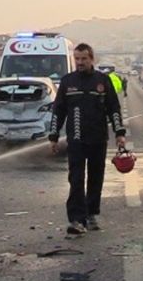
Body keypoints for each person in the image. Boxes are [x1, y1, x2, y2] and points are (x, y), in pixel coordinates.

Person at [48, 43, 126, 235]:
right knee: (76, 178)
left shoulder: (103, 80)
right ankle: (76, 219)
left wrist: (120, 133)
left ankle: (91, 213)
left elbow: (114, 109)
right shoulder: (67, 82)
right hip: (75, 139)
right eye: (77, 59)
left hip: (98, 138)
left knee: (95, 177)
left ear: (92, 59)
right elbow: (58, 111)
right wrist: (54, 136)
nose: (80, 62)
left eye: (84, 59)